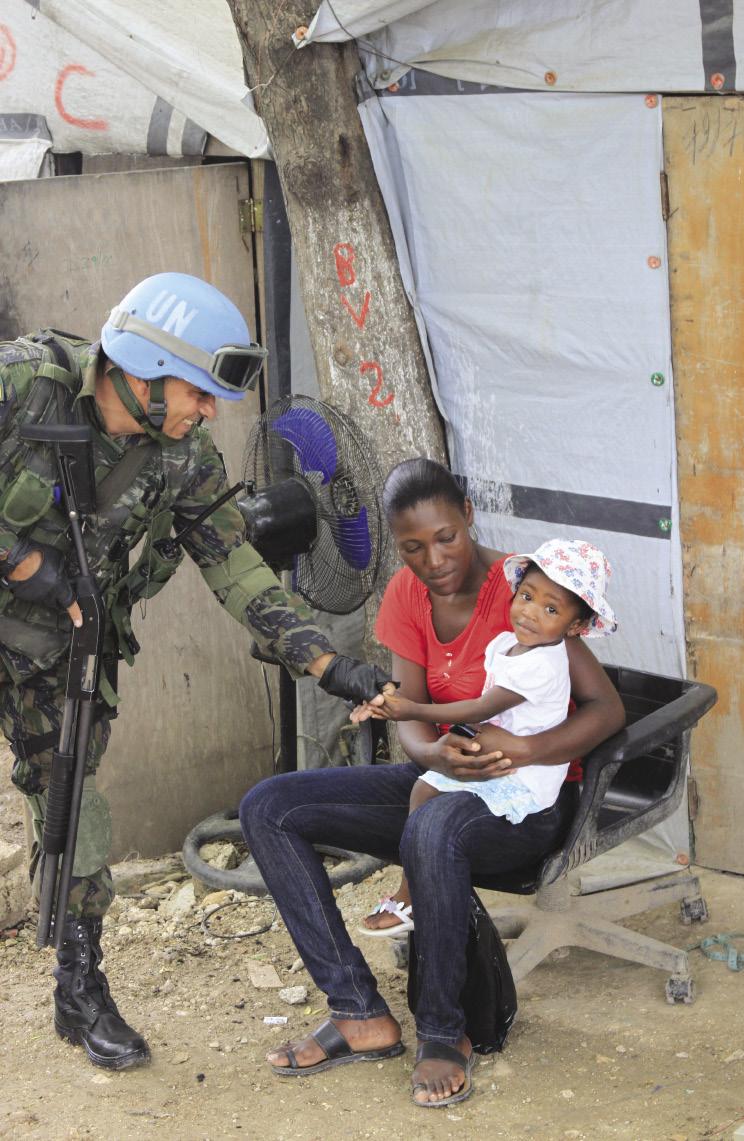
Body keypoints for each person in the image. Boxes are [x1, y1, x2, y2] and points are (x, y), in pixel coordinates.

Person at [0, 272, 392, 1072]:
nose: (210, 412)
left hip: (61, 650)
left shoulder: (186, 458)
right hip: (27, 595)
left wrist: (325, 661)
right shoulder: (21, 387)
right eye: (200, 393)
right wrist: (19, 561)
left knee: (73, 810)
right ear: (140, 368)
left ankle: (79, 988)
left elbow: (235, 567)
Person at [239, 457, 625, 1109]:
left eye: (445, 537)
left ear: (467, 517)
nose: (434, 558)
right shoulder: (406, 595)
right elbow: (413, 728)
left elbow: (606, 708)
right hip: (443, 780)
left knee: (434, 824)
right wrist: (439, 759)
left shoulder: (527, 593)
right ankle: (359, 1011)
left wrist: (525, 744)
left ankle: (445, 1034)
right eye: (413, 546)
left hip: (524, 801)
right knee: (268, 806)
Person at [357, 537, 617, 937]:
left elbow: (481, 709)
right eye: (526, 596)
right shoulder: (505, 645)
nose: (530, 613)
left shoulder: (543, 665)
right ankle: (413, 894)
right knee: (424, 791)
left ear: (575, 626)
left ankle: (423, 905)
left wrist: (411, 710)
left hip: (528, 776)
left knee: (436, 817)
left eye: (550, 609)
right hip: (500, 756)